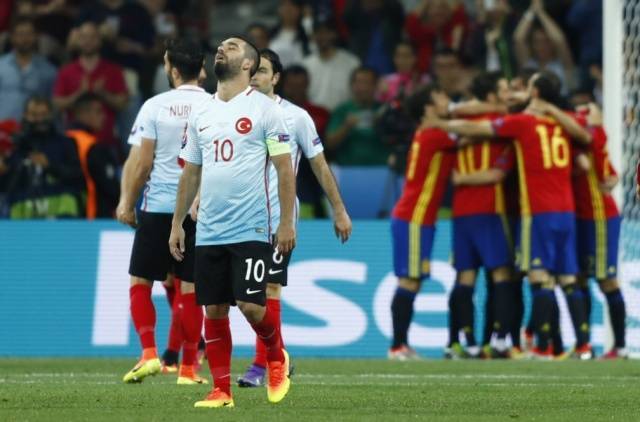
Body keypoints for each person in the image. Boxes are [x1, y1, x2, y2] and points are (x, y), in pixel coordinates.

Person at [425, 71, 593, 359]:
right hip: (566, 210)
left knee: (538, 278)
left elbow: (480, 128)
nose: (516, 93)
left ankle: (539, 347)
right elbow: (586, 140)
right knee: (567, 278)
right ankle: (583, 346)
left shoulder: (521, 123)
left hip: (535, 211)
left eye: (524, 88)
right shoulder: (565, 121)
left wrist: (440, 123)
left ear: (535, 93)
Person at [169, 36, 295, 408]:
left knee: (251, 306)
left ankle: (276, 354)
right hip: (209, 229)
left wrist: (286, 223)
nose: (223, 48)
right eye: (222, 45)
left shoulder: (265, 110)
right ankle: (221, 390)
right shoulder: (201, 112)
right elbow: (191, 172)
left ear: (248, 65)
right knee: (214, 309)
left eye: (234, 46)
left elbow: (284, 169)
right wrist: (178, 223)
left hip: (252, 227)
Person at [236, 48, 352, 387]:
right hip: (237, 217)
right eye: (251, 70)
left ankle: (262, 365)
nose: (255, 77)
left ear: (275, 78)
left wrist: (339, 210)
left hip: (278, 216)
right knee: (244, 298)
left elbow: (319, 165)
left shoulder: (296, 117)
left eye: (262, 71)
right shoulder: (233, 113)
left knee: (268, 288)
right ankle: (278, 356)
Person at [116, 37, 210, 385]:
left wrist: (127, 202)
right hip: (199, 209)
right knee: (190, 289)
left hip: (158, 206)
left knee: (141, 282)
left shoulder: (155, 106)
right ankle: (189, 369)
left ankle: (149, 354)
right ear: (201, 69)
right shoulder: (216, 106)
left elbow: (142, 163)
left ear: (171, 69)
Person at [446, 72, 515, 359]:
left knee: (465, 277)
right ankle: (499, 339)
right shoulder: (500, 121)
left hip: (461, 211)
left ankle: (465, 341)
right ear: (491, 95)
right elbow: (497, 174)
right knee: (501, 274)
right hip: (490, 209)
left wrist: (461, 179)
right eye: (504, 89)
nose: (508, 94)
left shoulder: (455, 123)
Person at [387, 83, 457, 360]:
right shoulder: (436, 135)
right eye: (441, 95)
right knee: (409, 281)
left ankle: (401, 345)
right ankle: (397, 346)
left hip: (418, 217)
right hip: (414, 217)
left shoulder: (427, 133)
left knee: (412, 281)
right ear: (428, 108)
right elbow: (472, 135)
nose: (447, 99)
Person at [571, 104, 627, 359]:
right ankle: (584, 345)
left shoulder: (591, 137)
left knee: (606, 280)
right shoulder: (580, 139)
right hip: (577, 218)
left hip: (600, 217)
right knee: (579, 278)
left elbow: (607, 175)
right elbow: (611, 175)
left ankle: (620, 346)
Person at [2, 96, 84, 219]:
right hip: (22, 216)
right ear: (25, 115)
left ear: (51, 115)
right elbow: (6, 187)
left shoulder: (65, 143)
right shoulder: (15, 146)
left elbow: (78, 177)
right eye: (34, 115)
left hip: (61, 215)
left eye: (44, 114)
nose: (40, 119)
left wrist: (50, 166)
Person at [53, 21, 129, 149]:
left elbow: (122, 104)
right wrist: (79, 94)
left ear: (100, 41)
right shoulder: (66, 71)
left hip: (106, 142)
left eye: (93, 37)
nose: (88, 41)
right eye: (83, 37)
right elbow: (57, 105)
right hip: (74, 144)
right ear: (77, 41)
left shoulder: (113, 70)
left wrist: (103, 93)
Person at [66, 93, 120, 218]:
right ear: (83, 114)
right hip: (94, 218)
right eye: (98, 112)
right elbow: (111, 189)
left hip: (67, 217)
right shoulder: (94, 147)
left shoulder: (62, 140)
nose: (104, 117)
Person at [325, 67, 390, 166]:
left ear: (376, 85)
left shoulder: (385, 110)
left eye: (367, 83)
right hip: (348, 169)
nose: (363, 88)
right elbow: (329, 144)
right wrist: (346, 127)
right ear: (351, 85)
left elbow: (398, 142)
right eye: (359, 83)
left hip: (380, 168)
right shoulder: (342, 110)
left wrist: (382, 125)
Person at [0, 16, 57, 122]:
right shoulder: (1, 66)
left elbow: (52, 105)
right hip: (2, 128)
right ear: (12, 37)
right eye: (20, 34)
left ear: (36, 36)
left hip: (34, 128)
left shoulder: (48, 70)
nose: (24, 39)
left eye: (29, 34)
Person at [513, 0, 576, 93]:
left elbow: (560, 40)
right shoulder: (529, 65)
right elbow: (518, 39)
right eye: (536, 42)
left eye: (546, 41)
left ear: (552, 44)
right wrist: (531, 11)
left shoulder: (562, 64)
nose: (541, 46)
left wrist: (541, 13)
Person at [301, 19, 360, 111]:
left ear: (335, 34)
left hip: (343, 114)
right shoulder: (305, 64)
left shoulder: (352, 62)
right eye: (319, 33)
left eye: (327, 32)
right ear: (313, 36)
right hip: (314, 115)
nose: (323, 37)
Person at [269, 0, 311, 68]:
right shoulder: (270, 35)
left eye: (292, 5)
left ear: (300, 10)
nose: (288, 9)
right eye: (284, 5)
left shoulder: (307, 35)